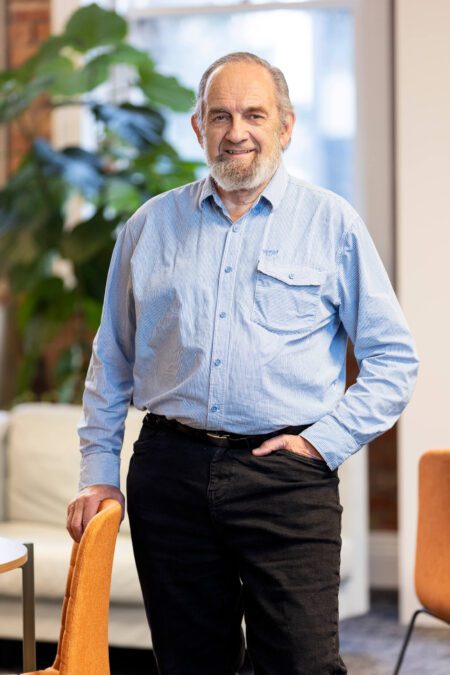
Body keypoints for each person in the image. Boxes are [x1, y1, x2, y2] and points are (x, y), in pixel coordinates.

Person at [66, 52, 418, 675]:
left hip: (285, 479)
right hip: (169, 472)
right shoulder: (149, 226)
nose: (237, 132)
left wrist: (320, 445)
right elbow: (111, 359)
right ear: (198, 127)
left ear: (286, 125)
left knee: (304, 664)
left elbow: (394, 360)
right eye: (220, 115)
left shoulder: (331, 224)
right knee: (189, 663)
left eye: (254, 114)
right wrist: (98, 473)